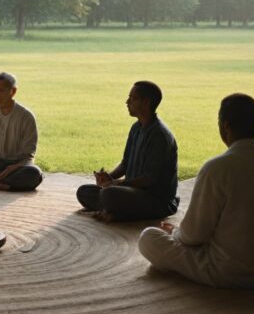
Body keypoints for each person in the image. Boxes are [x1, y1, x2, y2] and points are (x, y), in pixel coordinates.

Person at [138, 93, 254, 288]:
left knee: (148, 238)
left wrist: (175, 233)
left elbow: (194, 235)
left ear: (226, 126)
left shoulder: (217, 168)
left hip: (228, 271)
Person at [76, 81, 179, 220]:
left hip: (155, 199)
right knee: (84, 192)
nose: (127, 102)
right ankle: (117, 209)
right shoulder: (136, 128)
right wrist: (109, 178)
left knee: (109, 194)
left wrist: (118, 184)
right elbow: (126, 163)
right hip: (131, 192)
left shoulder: (159, 136)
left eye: (132, 98)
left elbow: (149, 179)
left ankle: (117, 211)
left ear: (146, 102)